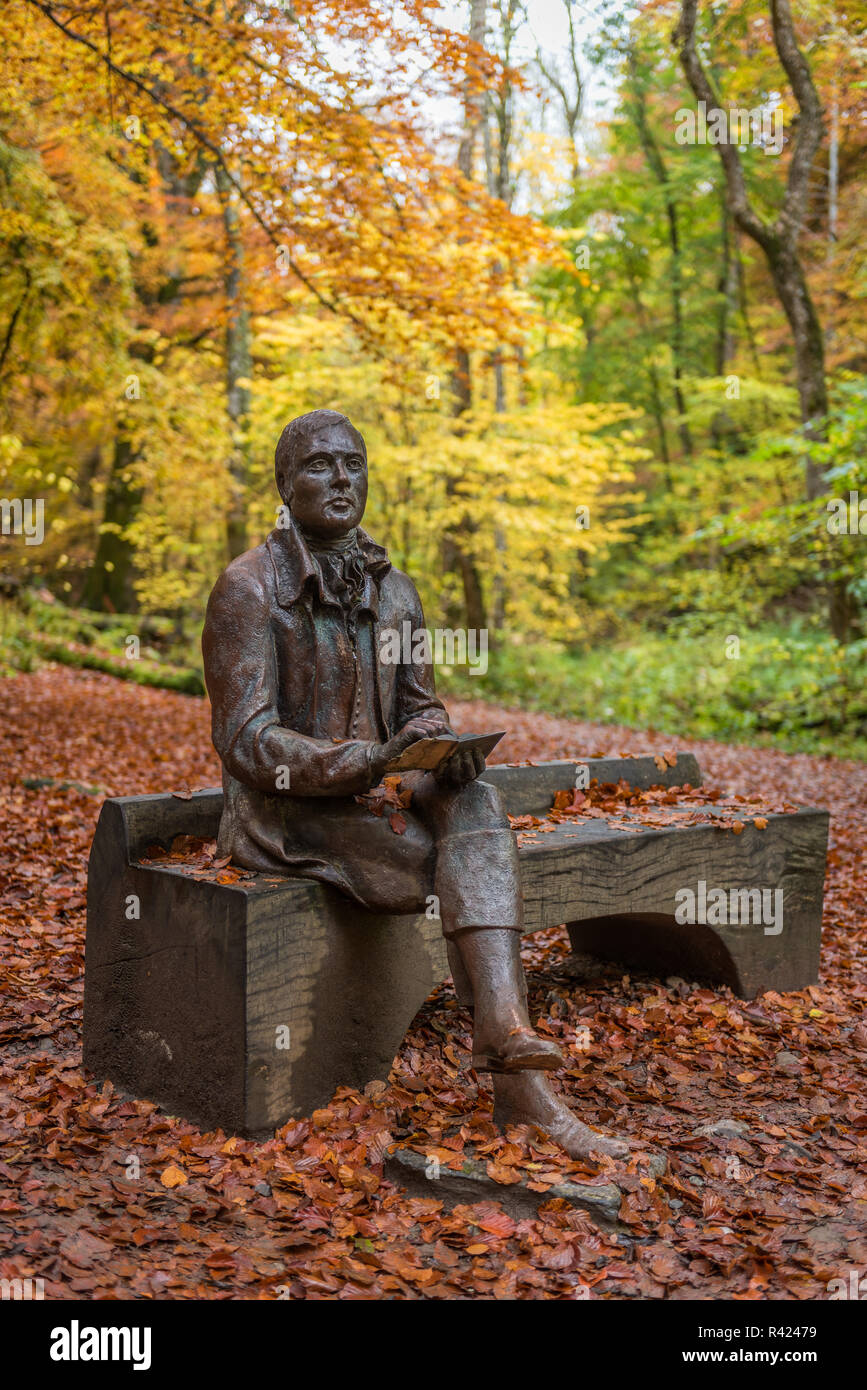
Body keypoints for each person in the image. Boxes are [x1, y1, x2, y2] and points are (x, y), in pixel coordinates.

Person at [202, 409, 629, 1160]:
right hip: (286, 811)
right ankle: (519, 1087)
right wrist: (362, 763)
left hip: (380, 795)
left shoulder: (394, 590)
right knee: (462, 861)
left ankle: (503, 1033)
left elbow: (417, 706)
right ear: (284, 483)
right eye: (319, 465)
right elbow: (246, 741)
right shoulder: (246, 589)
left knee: (479, 801)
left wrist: (439, 747)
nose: (340, 478)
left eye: (353, 464)